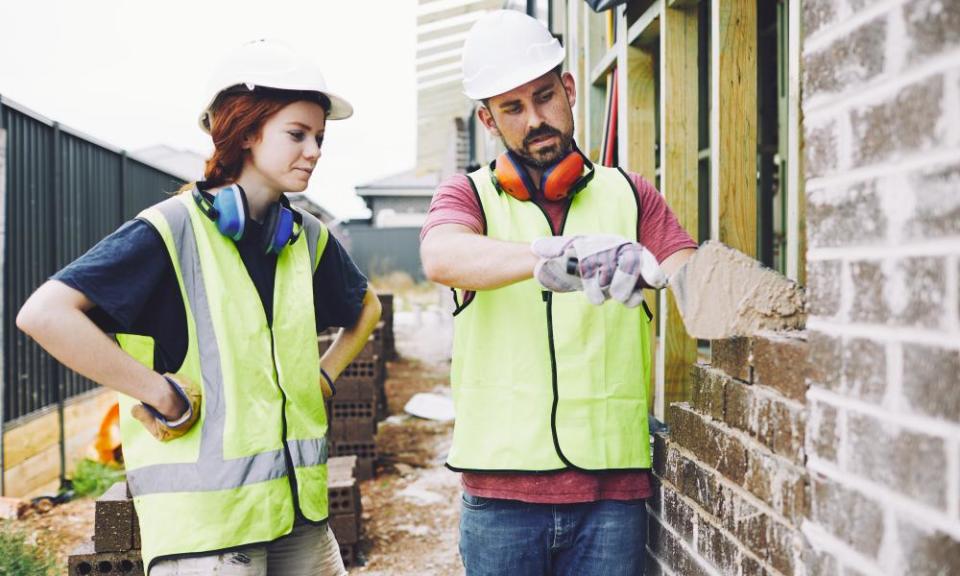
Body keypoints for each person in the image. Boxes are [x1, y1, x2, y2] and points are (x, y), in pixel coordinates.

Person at [16, 39, 381, 575]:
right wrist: (157, 392)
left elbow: (365, 309)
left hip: (298, 512)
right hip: (209, 535)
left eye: (320, 137)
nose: (315, 151)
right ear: (247, 130)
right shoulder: (171, 229)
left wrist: (321, 379)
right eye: (297, 134)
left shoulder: (304, 236)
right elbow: (43, 315)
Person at [419, 10, 698, 576]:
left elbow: (691, 275)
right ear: (488, 119)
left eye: (545, 97)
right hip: (501, 501)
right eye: (513, 108)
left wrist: (666, 272)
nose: (535, 119)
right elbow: (441, 255)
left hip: (610, 496)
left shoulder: (631, 194)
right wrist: (546, 260)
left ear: (569, 89)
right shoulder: (468, 196)